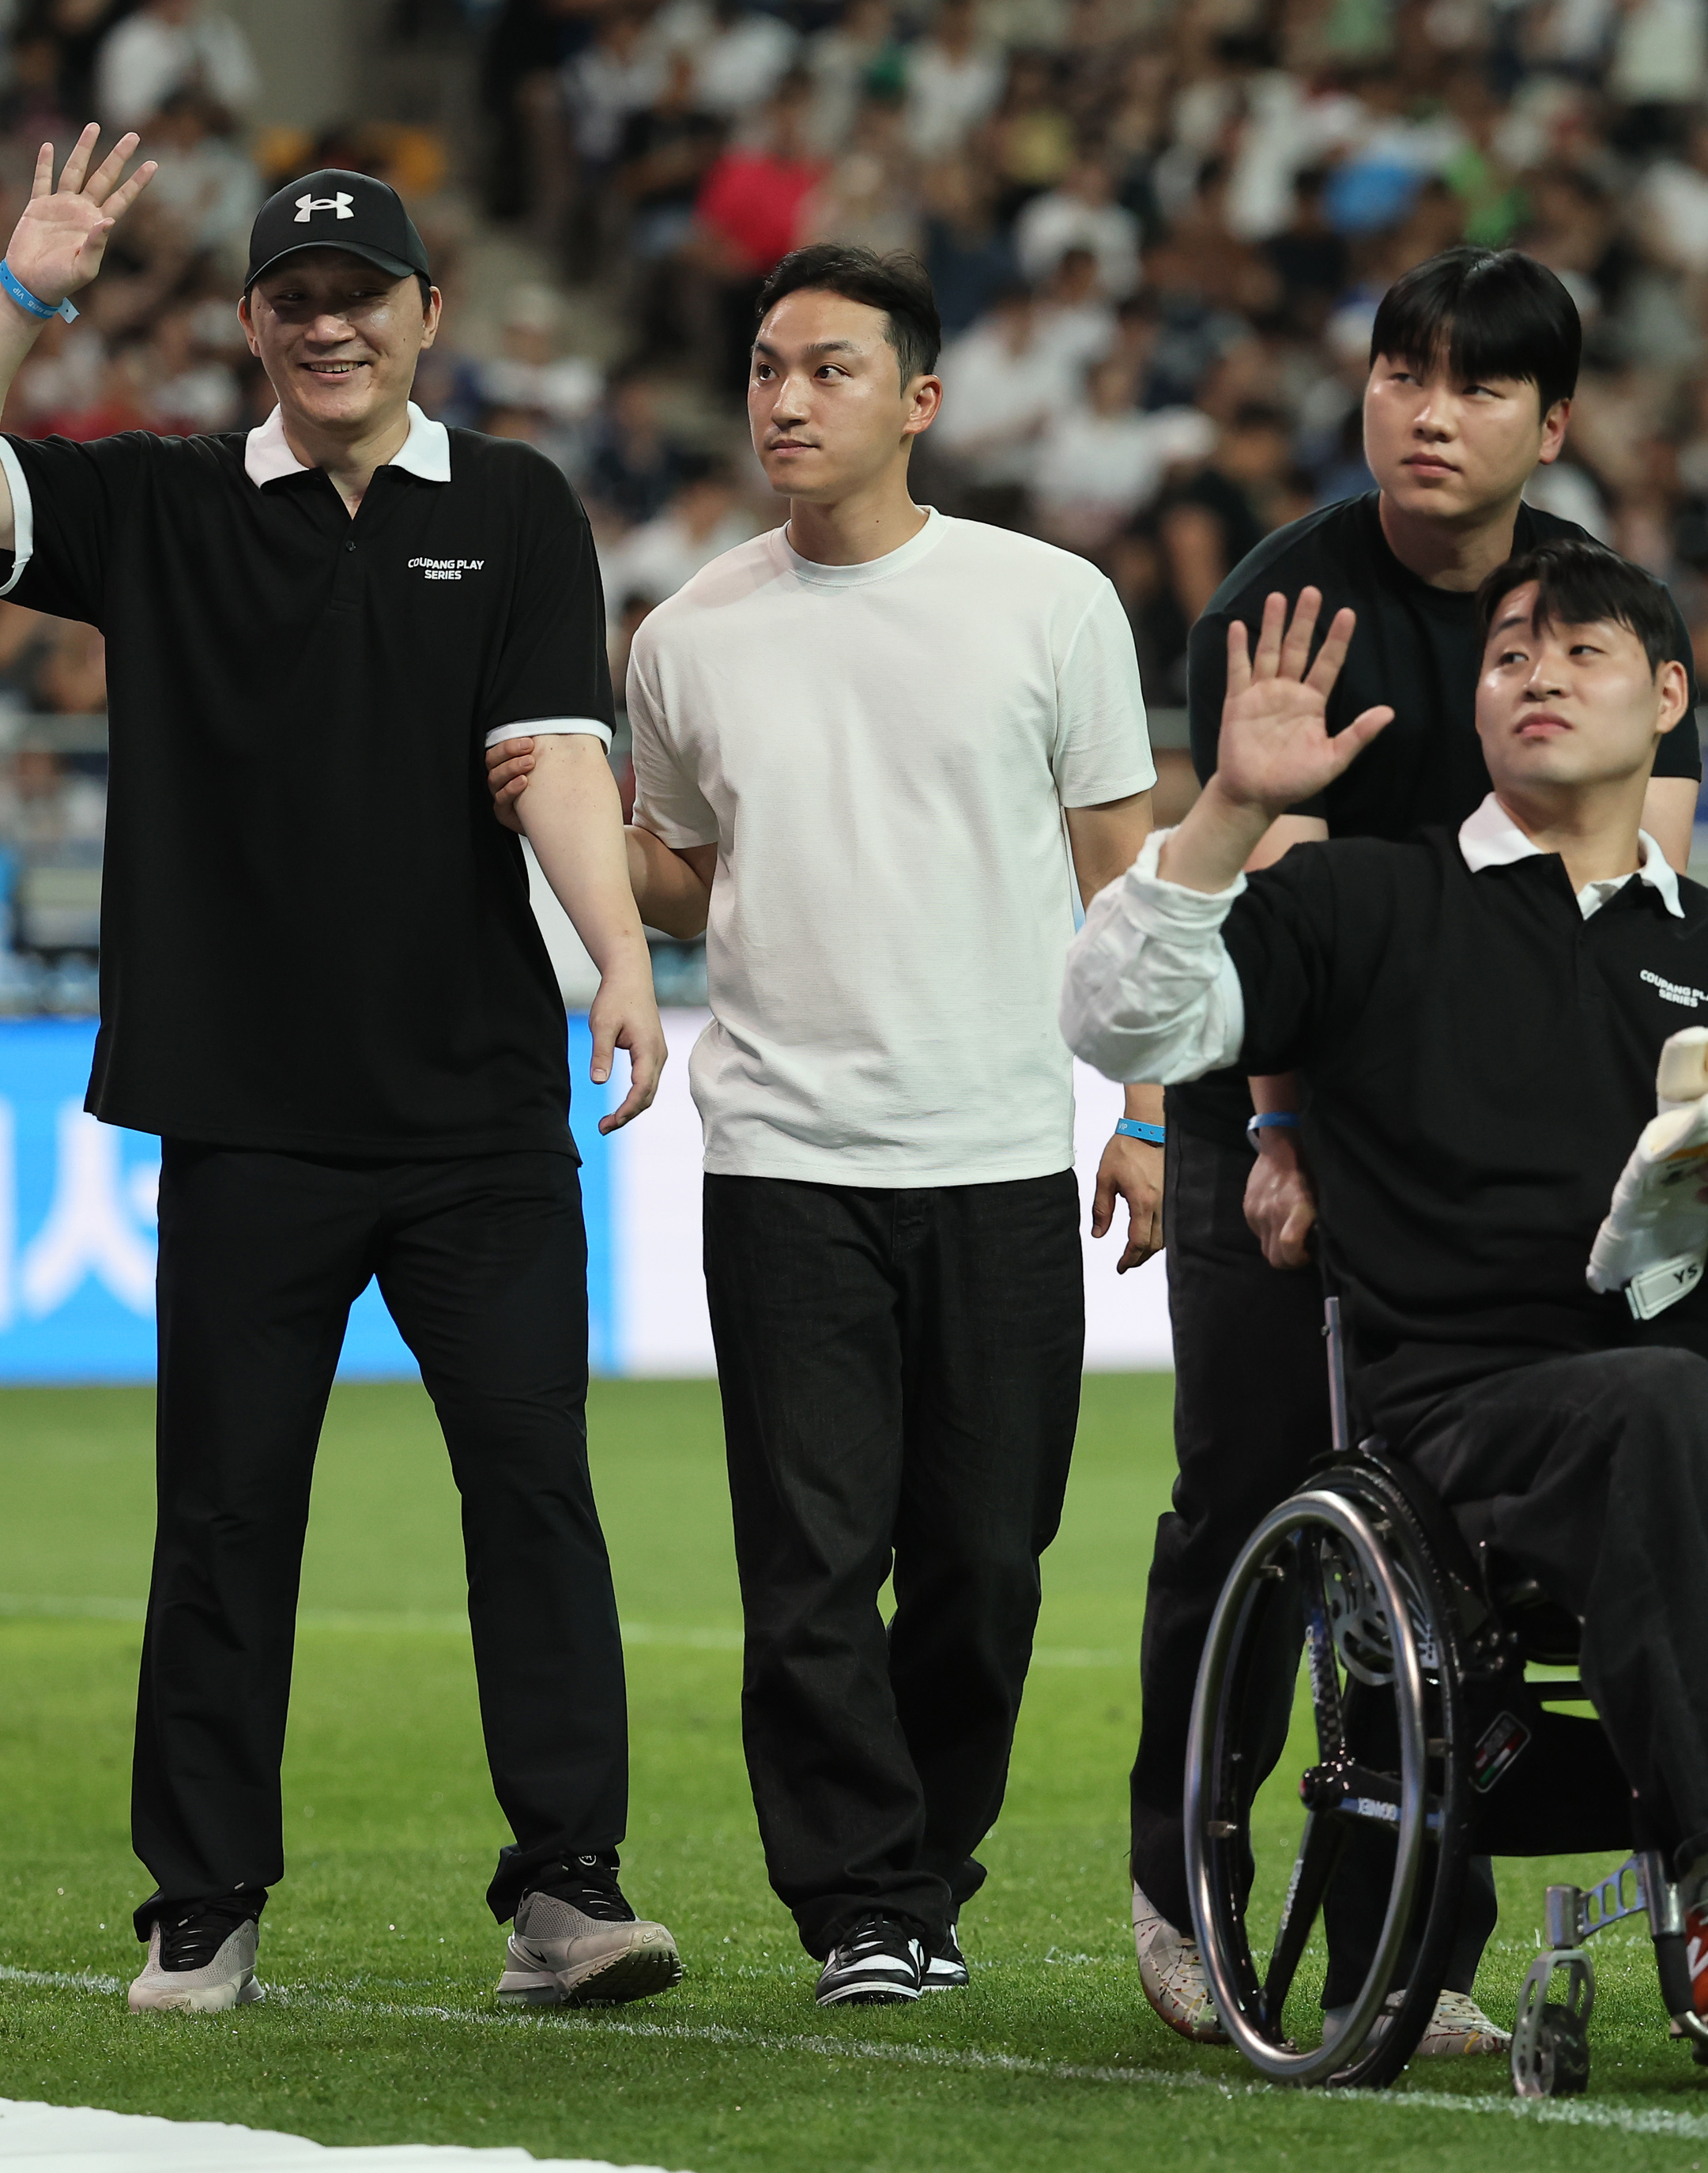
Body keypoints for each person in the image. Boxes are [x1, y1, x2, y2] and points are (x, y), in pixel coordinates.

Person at [0, 131, 682, 2016]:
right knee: (229, 1511)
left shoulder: (514, 501)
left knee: (535, 1494)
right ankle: (202, 1901)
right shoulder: (159, 501)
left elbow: (553, 750)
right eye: (296, 301)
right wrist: (25, 290)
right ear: (254, 324)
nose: (331, 327)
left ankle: (566, 1890)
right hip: (244, 1109)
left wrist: (627, 957)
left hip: (481, 1104)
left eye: (362, 299)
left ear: (430, 314)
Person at [1064, 541, 1708, 2038]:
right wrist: (1227, 810)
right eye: (1510, 653)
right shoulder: (1361, 904)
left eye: (1581, 653)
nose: (1536, 672)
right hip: (1471, 1410)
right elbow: (1117, 1007)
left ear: (1667, 699)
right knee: (1660, 1405)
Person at [488, 243, 1161, 2009]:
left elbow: (1131, 887)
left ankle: (925, 1871)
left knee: (983, 1569)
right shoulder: (689, 629)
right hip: (784, 1158)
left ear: (918, 401)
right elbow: (695, 884)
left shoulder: (1048, 604)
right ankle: (858, 1900)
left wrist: (1152, 1109)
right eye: (767, 369)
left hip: (1001, 1150)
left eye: (830, 371)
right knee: (806, 1576)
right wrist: (559, 810)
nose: (785, 401)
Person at [1129, 244, 1703, 2056]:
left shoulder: (1594, 613)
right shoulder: (1286, 603)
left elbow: (1643, 886)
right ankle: (1187, 1886)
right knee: (1244, 1505)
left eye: (1469, 384)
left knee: (1457, 1544)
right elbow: (1245, 889)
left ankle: (1410, 1933)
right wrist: (1268, 1126)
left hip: (1498, 1156)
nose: (1423, 410)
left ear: (1551, 421)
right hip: (1271, 1125)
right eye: (1398, 371)